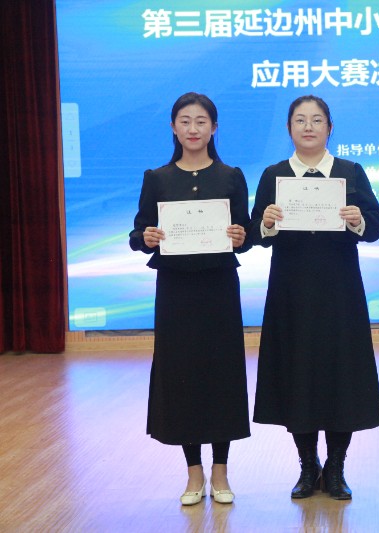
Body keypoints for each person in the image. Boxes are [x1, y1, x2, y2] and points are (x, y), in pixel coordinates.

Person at [249, 95, 379, 501]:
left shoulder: (349, 172)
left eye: (317, 120)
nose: (308, 127)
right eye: (300, 120)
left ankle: (336, 468)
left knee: (341, 377)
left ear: (329, 127)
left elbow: (377, 225)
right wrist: (266, 222)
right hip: (290, 291)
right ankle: (308, 467)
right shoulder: (274, 175)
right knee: (298, 376)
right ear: (289, 128)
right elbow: (254, 232)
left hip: (340, 290)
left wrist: (358, 219)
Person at [129, 92, 251, 505]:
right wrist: (146, 237)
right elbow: (138, 232)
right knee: (182, 374)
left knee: (221, 373)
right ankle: (193, 472)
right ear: (173, 127)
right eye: (185, 121)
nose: (193, 129)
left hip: (219, 287)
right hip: (176, 290)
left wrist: (241, 235)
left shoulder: (231, 176)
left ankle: (221, 470)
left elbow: (246, 232)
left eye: (201, 121)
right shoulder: (157, 178)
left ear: (214, 128)